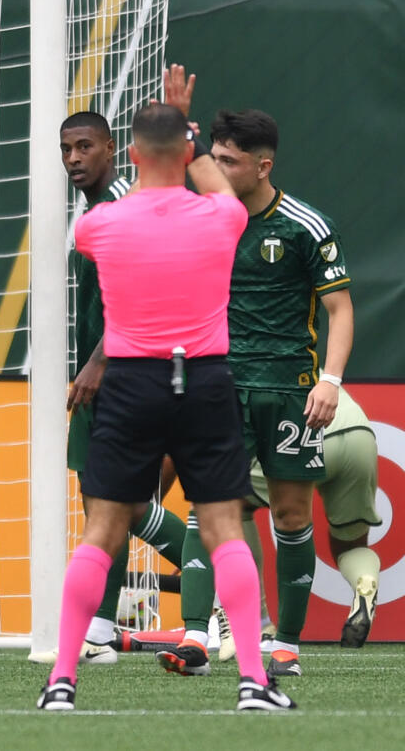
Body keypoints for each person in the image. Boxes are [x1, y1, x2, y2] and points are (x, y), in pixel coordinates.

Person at [36, 101, 295, 712]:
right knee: (224, 529)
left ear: (127, 156)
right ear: (187, 154)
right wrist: (189, 128)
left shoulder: (100, 226)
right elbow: (212, 184)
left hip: (130, 385)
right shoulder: (222, 216)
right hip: (203, 381)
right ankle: (255, 682)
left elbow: (107, 225)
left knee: (100, 530)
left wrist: (173, 133)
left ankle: (61, 681)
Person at [159, 80, 354, 678]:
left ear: (262, 165)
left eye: (228, 161)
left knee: (291, 515)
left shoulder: (304, 226)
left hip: (293, 390)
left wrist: (331, 381)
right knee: (205, 507)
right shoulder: (205, 220)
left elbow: (340, 310)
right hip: (219, 385)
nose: (215, 168)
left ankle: (285, 644)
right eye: (212, 157)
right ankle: (195, 638)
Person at [53, 111, 187, 666]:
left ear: (113, 148)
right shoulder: (95, 211)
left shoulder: (126, 208)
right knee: (102, 503)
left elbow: (148, 291)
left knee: (120, 505)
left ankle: (222, 591)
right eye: (66, 150)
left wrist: (98, 361)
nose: (74, 159)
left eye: (85, 147)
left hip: (127, 373)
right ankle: (102, 630)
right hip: (103, 375)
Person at [216, 384, 380, 658]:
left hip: (304, 432)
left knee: (234, 505)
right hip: (358, 434)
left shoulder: (255, 369)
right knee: (349, 543)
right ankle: (365, 579)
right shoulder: (305, 359)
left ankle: (259, 620)